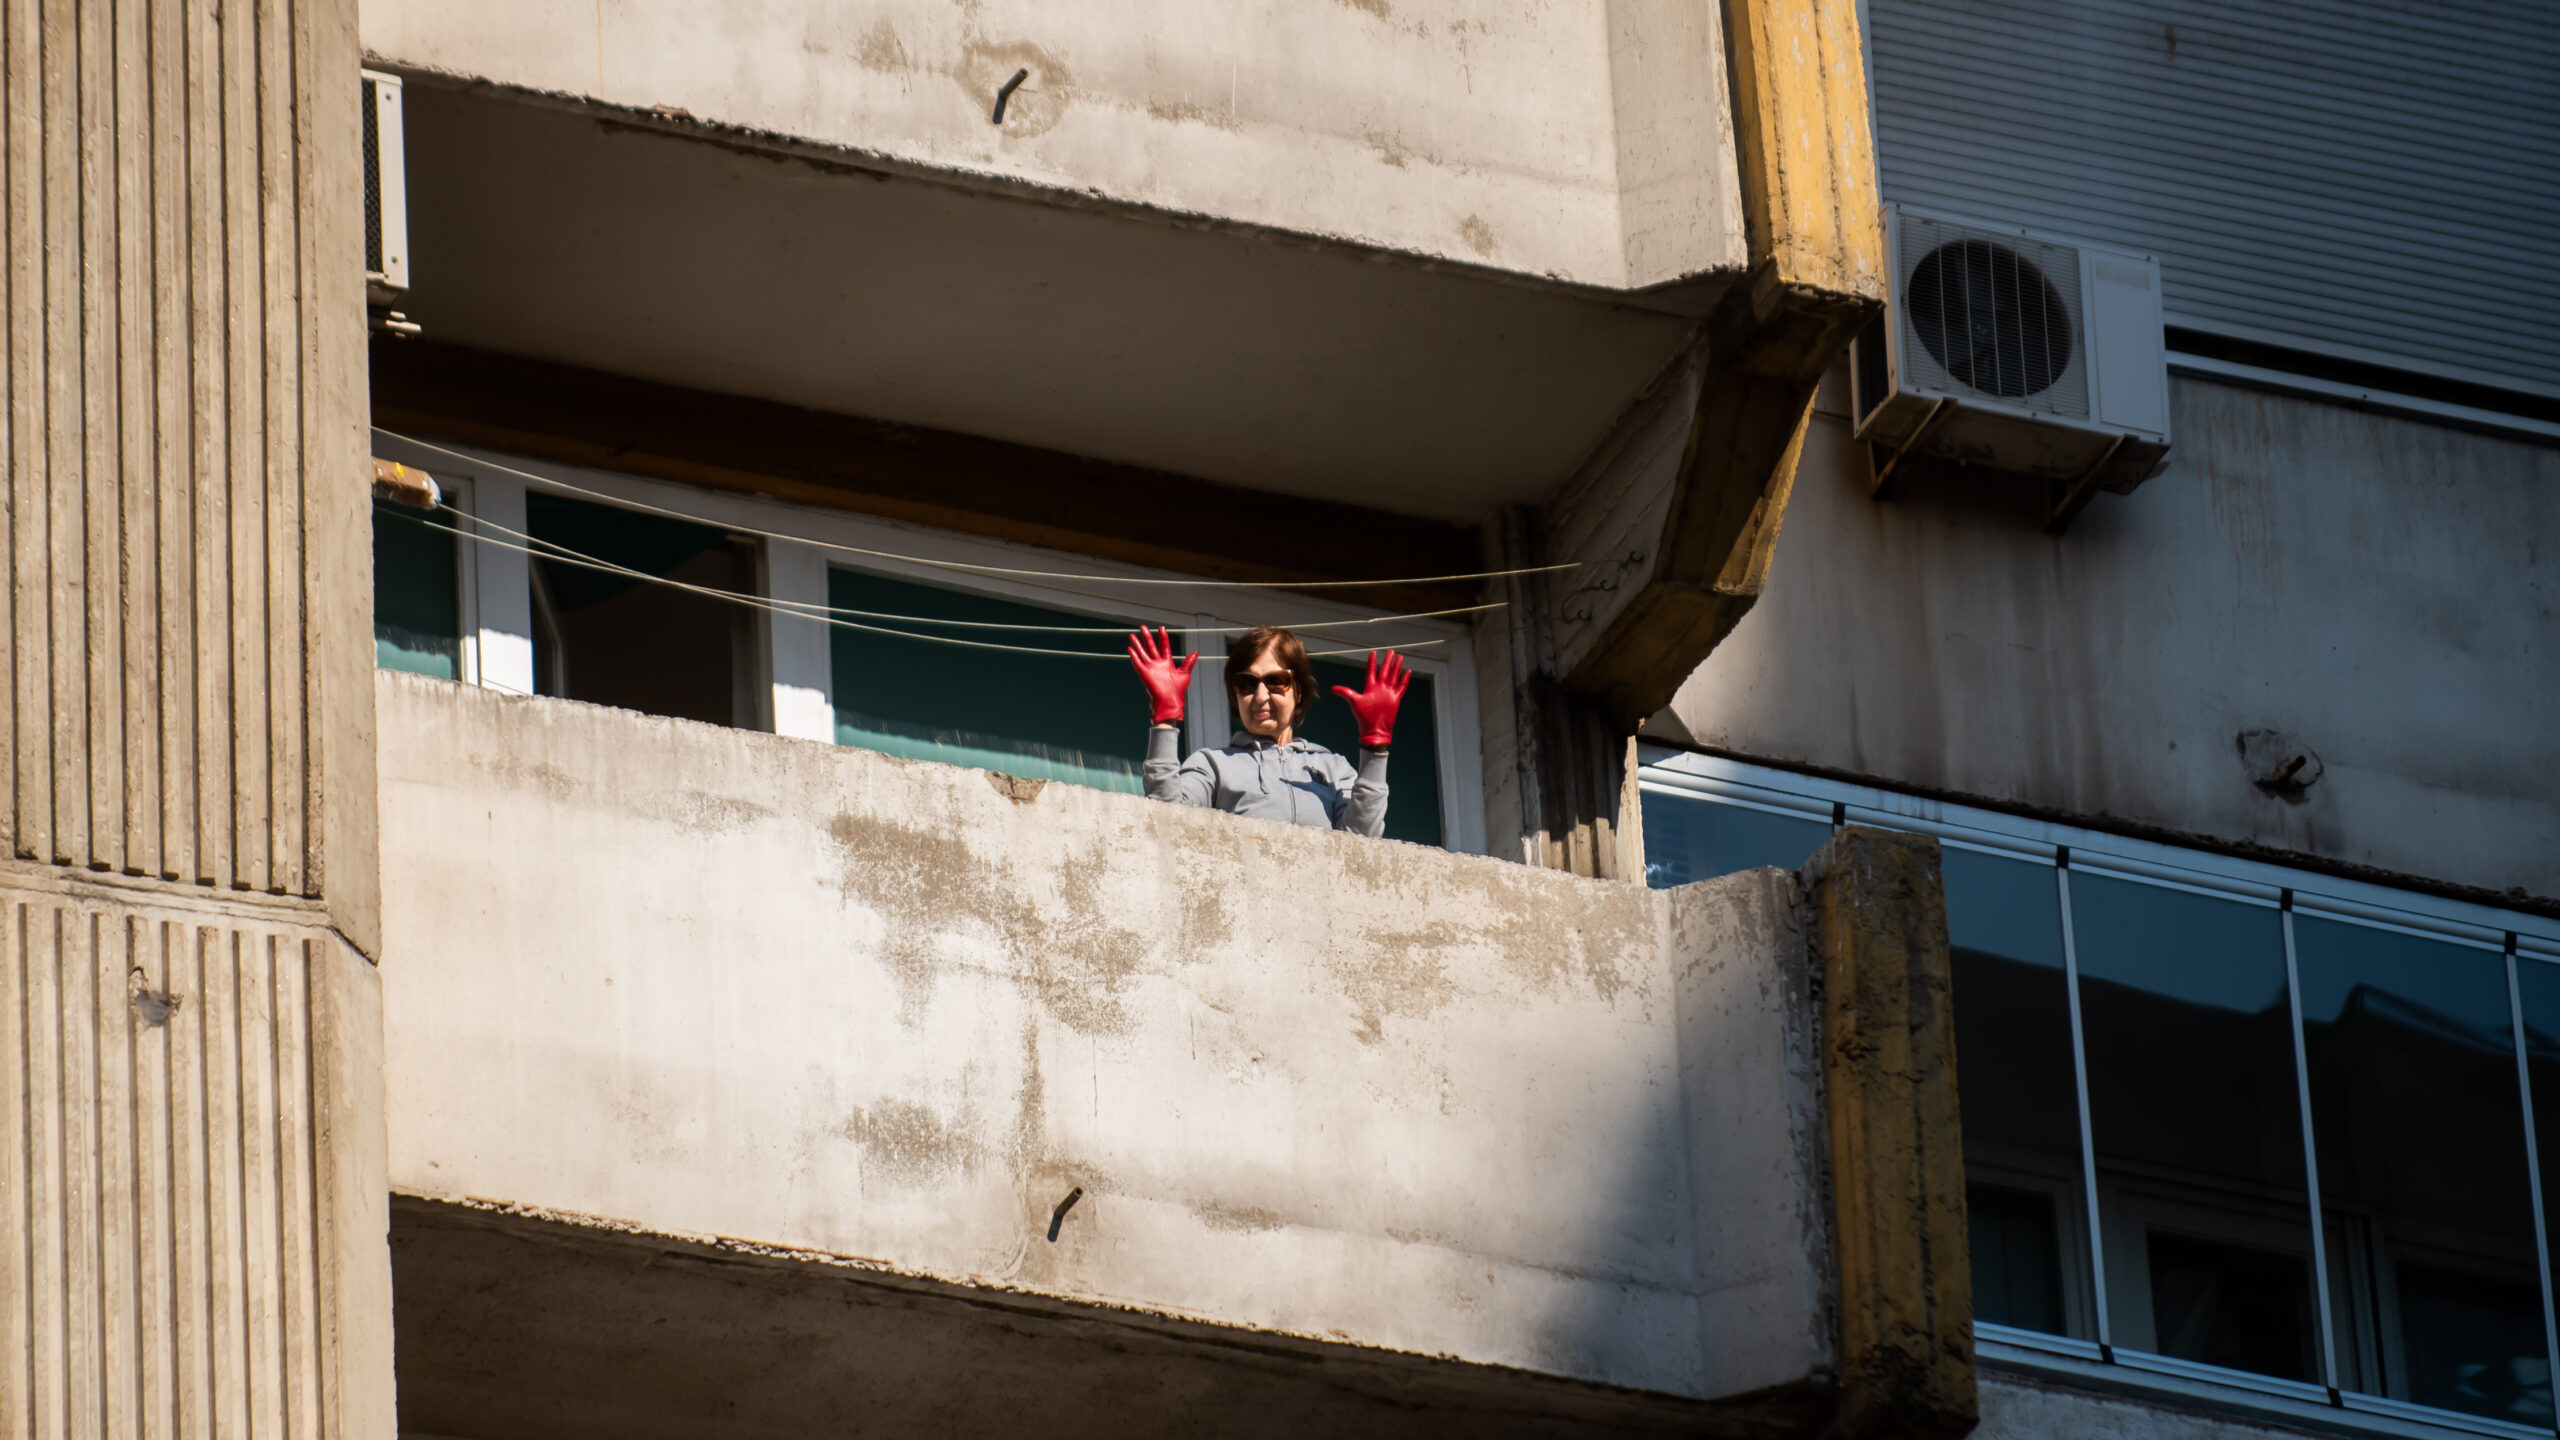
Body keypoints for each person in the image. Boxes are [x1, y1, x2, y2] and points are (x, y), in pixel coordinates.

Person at [1126, 624, 1410, 837]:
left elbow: (1362, 840)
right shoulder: (1212, 764)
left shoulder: (1332, 767)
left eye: (1276, 681)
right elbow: (1167, 818)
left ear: (1298, 691)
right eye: (1247, 683)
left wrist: (1375, 747)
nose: (1260, 696)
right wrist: (1165, 719)